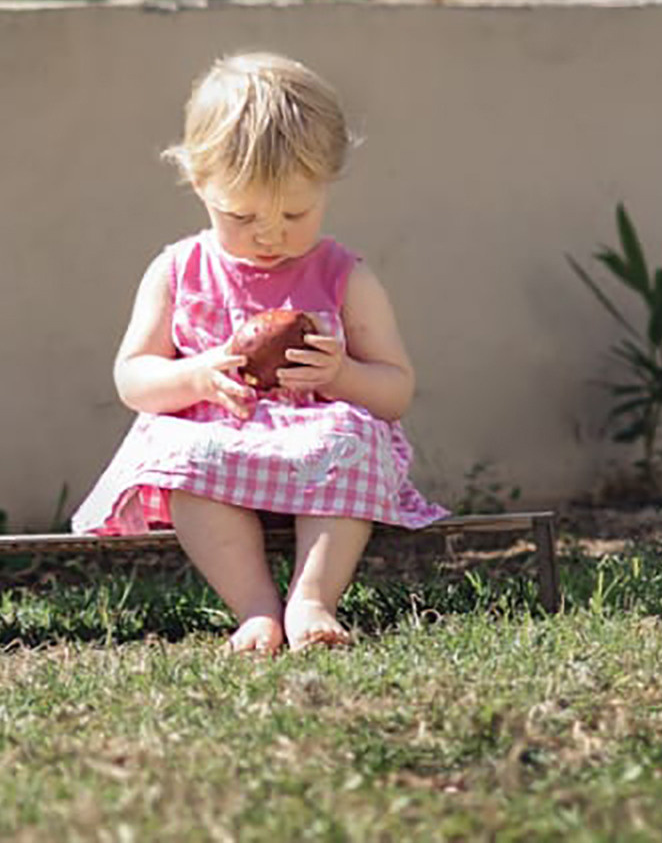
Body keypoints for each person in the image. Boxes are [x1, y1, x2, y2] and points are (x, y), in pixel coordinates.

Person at [71, 51, 445, 654]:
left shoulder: (344, 277)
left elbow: (395, 390)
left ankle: (313, 598)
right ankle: (254, 608)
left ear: (328, 183)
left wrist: (343, 374)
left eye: (295, 213)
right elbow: (133, 378)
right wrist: (195, 376)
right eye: (241, 215)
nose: (270, 235)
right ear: (198, 183)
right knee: (179, 458)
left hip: (316, 442)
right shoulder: (179, 271)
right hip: (219, 442)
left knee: (352, 439)